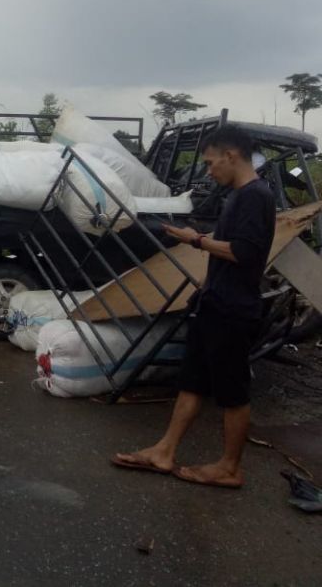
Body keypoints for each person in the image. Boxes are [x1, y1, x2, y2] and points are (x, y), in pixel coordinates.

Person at [113, 125, 275, 489]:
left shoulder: (254, 196)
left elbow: (244, 252)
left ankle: (230, 467)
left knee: (232, 392)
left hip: (234, 310)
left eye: (210, 161)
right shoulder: (238, 195)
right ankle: (164, 451)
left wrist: (196, 240)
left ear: (231, 156)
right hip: (215, 303)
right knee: (192, 381)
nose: (208, 170)